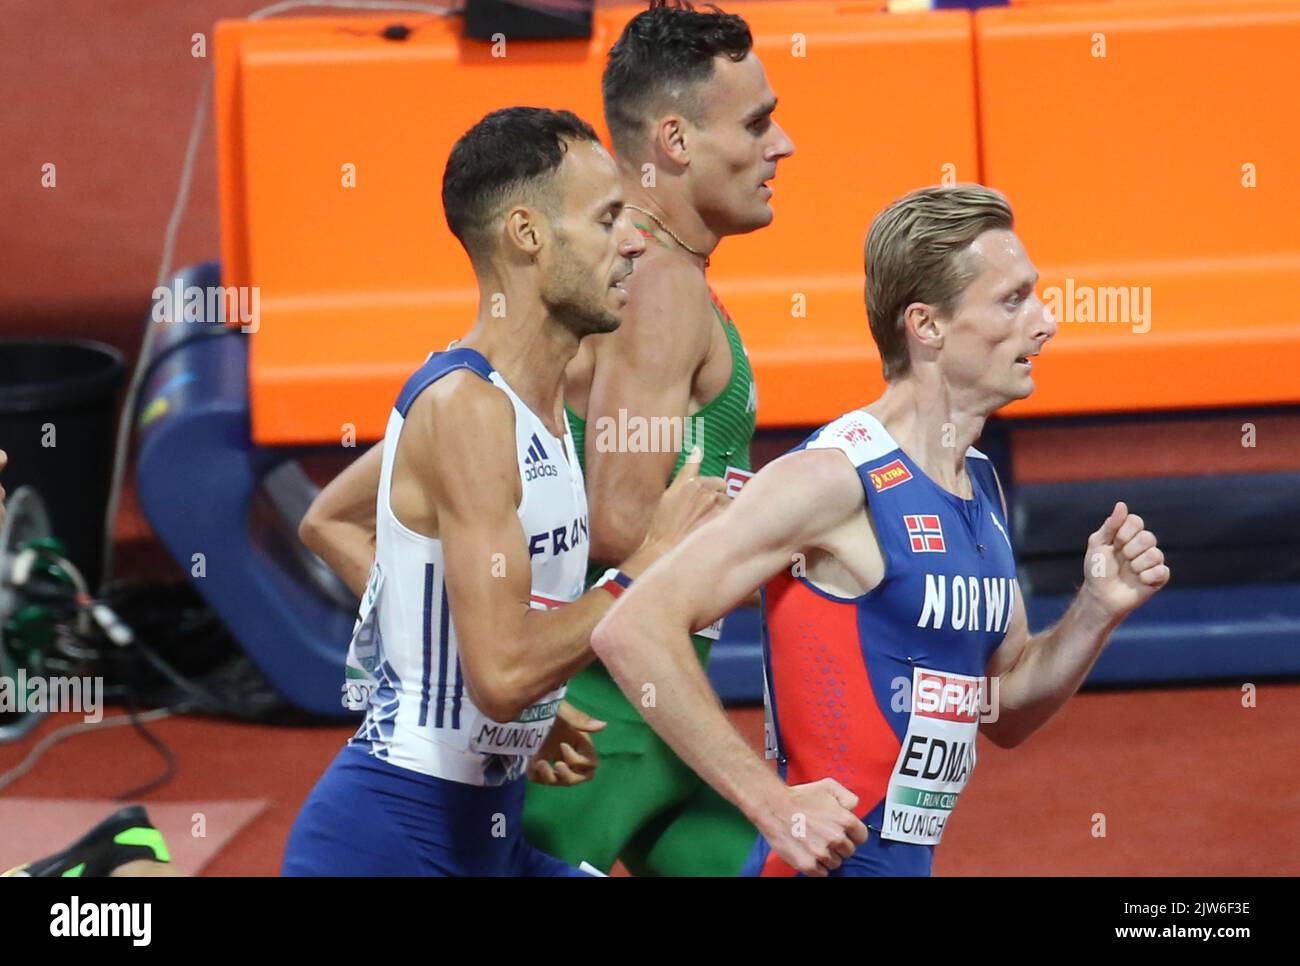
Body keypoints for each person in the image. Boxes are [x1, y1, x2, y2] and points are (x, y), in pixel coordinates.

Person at [590, 184, 1172, 876]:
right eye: (1013, 300)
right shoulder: (832, 478)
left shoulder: (977, 483)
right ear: (926, 325)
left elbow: (1005, 705)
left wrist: (1096, 611)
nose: (1045, 324)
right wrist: (770, 803)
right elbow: (632, 628)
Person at [282, 106, 726, 876]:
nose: (635, 240)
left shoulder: (541, 403)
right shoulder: (465, 409)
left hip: (486, 833)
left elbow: (348, 527)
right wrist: (642, 569)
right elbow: (503, 674)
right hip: (390, 840)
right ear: (527, 234)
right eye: (608, 217)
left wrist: (508, 710)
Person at [523, 0, 794, 876]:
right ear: (675, 142)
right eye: (757, 123)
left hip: (644, 708)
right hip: (613, 722)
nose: (782, 146)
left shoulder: (619, 263)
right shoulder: (663, 285)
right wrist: (796, 527)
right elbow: (620, 522)